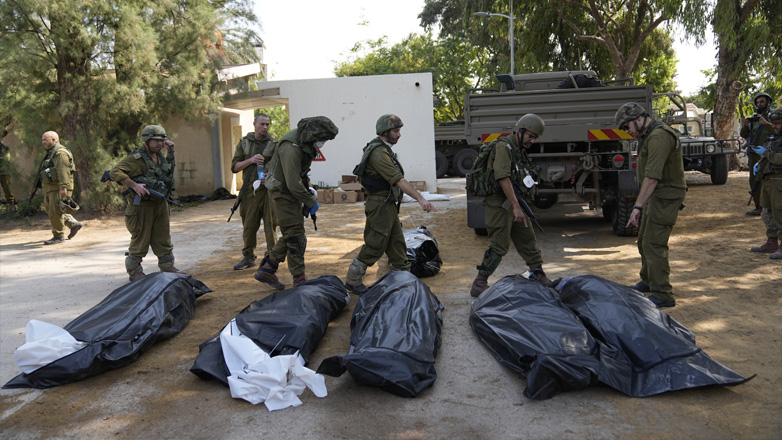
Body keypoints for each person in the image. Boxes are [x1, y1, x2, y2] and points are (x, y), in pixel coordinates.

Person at [344, 114, 436, 294]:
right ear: (385, 132)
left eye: (399, 130)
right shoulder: (378, 152)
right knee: (375, 245)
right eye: (396, 131)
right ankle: (353, 281)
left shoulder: (384, 149)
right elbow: (397, 180)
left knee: (397, 246)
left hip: (387, 206)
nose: (399, 134)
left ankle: (402, 282)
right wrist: (420, 198)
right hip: (379, 207)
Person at [469, 114, 552, 298]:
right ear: (520, 131)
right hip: (499, 202)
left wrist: (518, 204)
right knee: (499, 244)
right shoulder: (503, 146)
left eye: (535, 137)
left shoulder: (518, 149)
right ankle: (480, 282)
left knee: (527, 236)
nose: (532, 140)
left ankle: (538, 273)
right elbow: (502, 177)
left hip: (513, 200)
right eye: (530, 136)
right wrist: (515, 206)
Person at [254, 116, 339, 289]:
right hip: (282, 193)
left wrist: (309, 189)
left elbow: (300, 173)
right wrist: (310, 201)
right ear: (315, 134)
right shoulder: (291, 147)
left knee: (292, 232)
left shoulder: (305, 142)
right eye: (323, 139)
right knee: (296, 237)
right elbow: (292, 183)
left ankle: (267, 269)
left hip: (290, 192)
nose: (323, 142)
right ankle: (299, 280)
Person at [617, 102, 687, 308]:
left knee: (654, 243)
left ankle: (663, 293)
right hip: (655, 195)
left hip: (664, 196)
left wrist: (637, 207)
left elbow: (652, 176)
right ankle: (648, 281)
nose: (627, 132)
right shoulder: (648, 135)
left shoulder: (658, 136)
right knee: (643, 239)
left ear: (638, 119)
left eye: (627, 127)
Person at [109, 125, 184, 282]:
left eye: (162, 140)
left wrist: (171, 152)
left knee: (163, 237)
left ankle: (168, 267)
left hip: (160, 203)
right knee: (141, 239)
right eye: (156, 140)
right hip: (142, 206)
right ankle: (134, 271)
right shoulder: (136, 158)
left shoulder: (160, 156)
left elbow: (167, 172)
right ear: (147, 140)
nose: (160, 143)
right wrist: (134, 185)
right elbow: (115, 172)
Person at [231, 113, 278, 270]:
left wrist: (270, 177)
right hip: (250, 192)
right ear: (254, 124)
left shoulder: (274, 144)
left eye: (267, 124)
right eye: (262, 124)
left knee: (270, 225)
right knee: (249, 225)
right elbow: (235, 167)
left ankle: (271, 259)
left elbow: (280, 166)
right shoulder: (244, 143)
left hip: (268, 191)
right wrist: (250, 160)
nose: (265, 127)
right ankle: (248, 257)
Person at [38, 131, 83, 244]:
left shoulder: (60, 153)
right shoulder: (51, 152)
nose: (43, 142)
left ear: (54, 140)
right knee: (51, 209)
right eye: (42, 140)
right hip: (51, 188)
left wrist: (63, 187)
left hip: (58, 188)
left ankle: (58, 236)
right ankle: (73, 224)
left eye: (45, 140)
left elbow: (63, 171)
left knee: (55, 212)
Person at [750, 109, 782, 259]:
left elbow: (778, 158)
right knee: (767, 212)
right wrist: (760, 164)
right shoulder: (774, 138)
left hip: (779, 181)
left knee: (780, 213)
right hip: (768, 181)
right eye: (773, 123)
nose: (775, 126)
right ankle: (772, 241)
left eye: (778, 123)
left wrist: (765, 154)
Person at [741, 92, 775, 216]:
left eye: (762, 101)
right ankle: (759, 206)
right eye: (758, 102)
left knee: (770, 180)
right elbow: (744, 135)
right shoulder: (754, 118)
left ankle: (770, 207)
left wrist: (766, 123)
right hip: (755, 154)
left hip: (769, 153)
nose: (760, 104)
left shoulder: (773, 116)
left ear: (768, 102)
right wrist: (745, 126)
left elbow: (778, 131)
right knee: (754, 180)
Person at [0, 136, 15, 210]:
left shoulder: (5, 148)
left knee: (7, 190)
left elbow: (6, 159)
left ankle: (11, 206)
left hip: (4, 172)